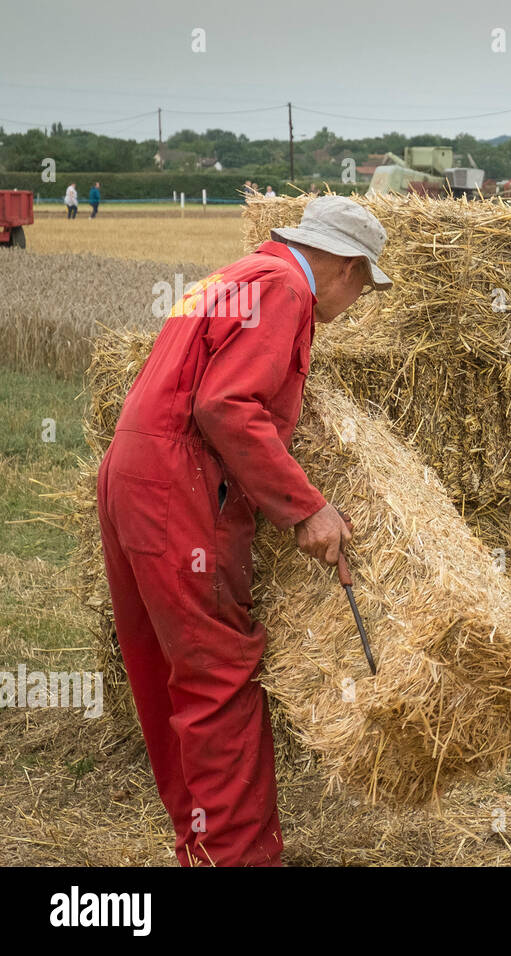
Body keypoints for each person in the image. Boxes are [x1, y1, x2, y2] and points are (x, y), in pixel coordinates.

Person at [96, 196, 392, 866]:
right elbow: (227, 404)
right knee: (220, 679)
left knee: (165, 670)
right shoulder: (287, 289)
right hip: (179, 486)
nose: (356, 303)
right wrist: (305, 506)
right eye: (363, 287)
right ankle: (239, 860)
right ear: (345, 268)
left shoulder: (234, 275)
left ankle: (200, 848)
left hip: (131, 473)